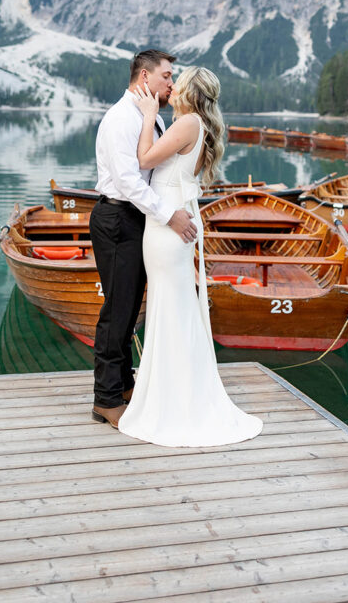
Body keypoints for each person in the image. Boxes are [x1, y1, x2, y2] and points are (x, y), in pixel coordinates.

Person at [118, 65, 263, 447]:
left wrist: (149, 117)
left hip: (167, 225)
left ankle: (172, 402)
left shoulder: (186, 124)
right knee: (175, 307)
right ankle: (178, 393)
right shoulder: (199, 126)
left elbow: (145, 160)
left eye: (176, 83)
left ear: (187, 90)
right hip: (177, 218)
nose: (171, 87)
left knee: (170, 307)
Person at [90, 50, 198, 428]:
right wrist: (169, 215)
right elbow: (128, 182)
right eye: (167, 76)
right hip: (117, 218)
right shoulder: (122, 118)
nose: (172, 83)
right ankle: (105, 399)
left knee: (129, 307)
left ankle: (123, 385)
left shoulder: (147, 116)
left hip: (135, 220)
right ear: (145, 78)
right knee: (117, 311)